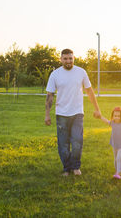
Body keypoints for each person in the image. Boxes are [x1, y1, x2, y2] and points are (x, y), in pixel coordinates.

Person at [45, 48, 101, 176]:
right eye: (65, 58)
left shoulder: (81, 72)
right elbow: (50, 95)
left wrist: (97, 108)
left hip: (77, 113)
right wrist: (47, 115)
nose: (68, 61)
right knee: (63, 144)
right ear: (61, 59)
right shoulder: (55, 74)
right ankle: (67, 168)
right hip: (61, 114)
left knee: (77, 142)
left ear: (73, 58)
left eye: (70, 58)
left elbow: (89, 91)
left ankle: (76, 167)